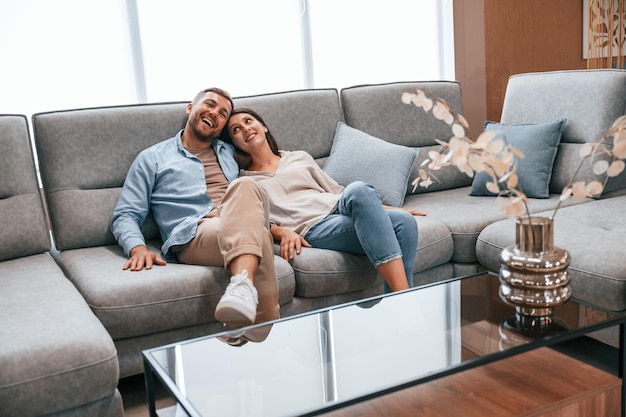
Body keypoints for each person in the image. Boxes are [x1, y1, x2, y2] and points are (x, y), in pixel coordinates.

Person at [110, 88, 279, 332]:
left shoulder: (230, 152)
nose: (214, 113)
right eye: (209, 105)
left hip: (236, 220)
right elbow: (125, 214)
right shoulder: (153, 158)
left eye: (223, 113)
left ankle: (242, 302)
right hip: (195, 233)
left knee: (246, 185)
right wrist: (138, 248)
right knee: (259, 237)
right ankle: (258, 324)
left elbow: (259, 186)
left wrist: (280, 230)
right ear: (190, 107)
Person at [222, 107, 425, 293]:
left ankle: (398, 305)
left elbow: (338, 191)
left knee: (401, 218)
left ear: (263, 127)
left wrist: (384, 210)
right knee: (401, 225)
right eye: (236, 130)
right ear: (235, 144)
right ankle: (403, 301)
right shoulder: (246, 182)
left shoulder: (298, 157)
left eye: (248, 121)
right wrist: (281, 232)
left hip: (339, 207)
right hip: (314, 227)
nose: (245, 129)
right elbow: (254, 222)